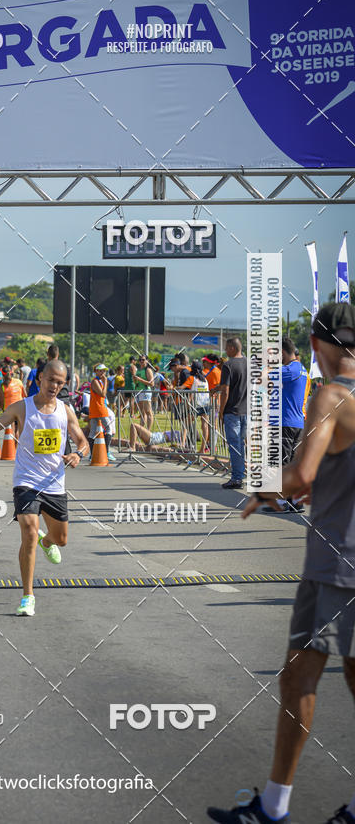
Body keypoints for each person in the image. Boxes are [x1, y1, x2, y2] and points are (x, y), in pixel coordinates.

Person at [207, 302, 355, 824]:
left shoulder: (332, 396)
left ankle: (273, 808)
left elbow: (301, 476)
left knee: (298, 681)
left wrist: (264, 490)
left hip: (336, 566)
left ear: (316, 346)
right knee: (326, 680)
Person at [0, 359, 89, 616]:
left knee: (61, 539)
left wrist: (78, 454)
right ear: (40, 379)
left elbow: (82, 442)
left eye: (60, 383)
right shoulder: (21, 408)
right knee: (28, 531)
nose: (54, 386)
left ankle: (47, 543)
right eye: (50, 380)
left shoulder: (65, 410)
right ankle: (28, 595)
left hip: (54, 483)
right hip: (26, 481)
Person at [275, 337, 309, 514]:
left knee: (283, 464)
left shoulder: (290, 369)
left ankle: (285, 502)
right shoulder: (301, 369)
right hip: (296, 422)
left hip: (286, 422)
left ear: (281, 352)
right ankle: (294, 500)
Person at [218, 337, 248, 489]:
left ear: (232, 348)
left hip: (232, 411)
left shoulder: (228, 365)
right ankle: (240, 474)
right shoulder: (250, 364)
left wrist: (221, 411)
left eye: (226, 347)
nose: (225, 350)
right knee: (241, 445)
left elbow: (225, 391)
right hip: (246, 411)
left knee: (234, 445)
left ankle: (237, 478)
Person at [179, 359, 210, 452]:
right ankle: (202, 449)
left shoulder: (193, 379)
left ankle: (182, 444)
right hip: (206, 404)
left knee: (185, 424)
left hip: (196, 405)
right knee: (204, 426)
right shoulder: (205, 380)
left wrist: (187, 405)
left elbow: (188, 391)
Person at [89, 363, 115, 462]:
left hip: (96, 408)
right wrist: (105, 382)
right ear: (96, 371)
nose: (102, 373)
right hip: (99, 408)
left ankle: (92, 454)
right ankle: (107, 452)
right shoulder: (95, 381)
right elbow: (103, 394)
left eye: (104, 371)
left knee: (93, 431)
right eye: (100, 370)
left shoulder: (99, 381)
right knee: (108, 428)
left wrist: (104, 382)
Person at [135, 354, 155, 431]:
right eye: (140, 360)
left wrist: (140, 379)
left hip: (146, 391)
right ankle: (141, 430)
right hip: (139, 391)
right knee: (142, 413)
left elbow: (152, 383)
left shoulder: (148, 370)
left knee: (148, 411)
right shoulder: (138, 370)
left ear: (147, 361)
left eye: (143, 360)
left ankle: (148, 431)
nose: (141, 361)